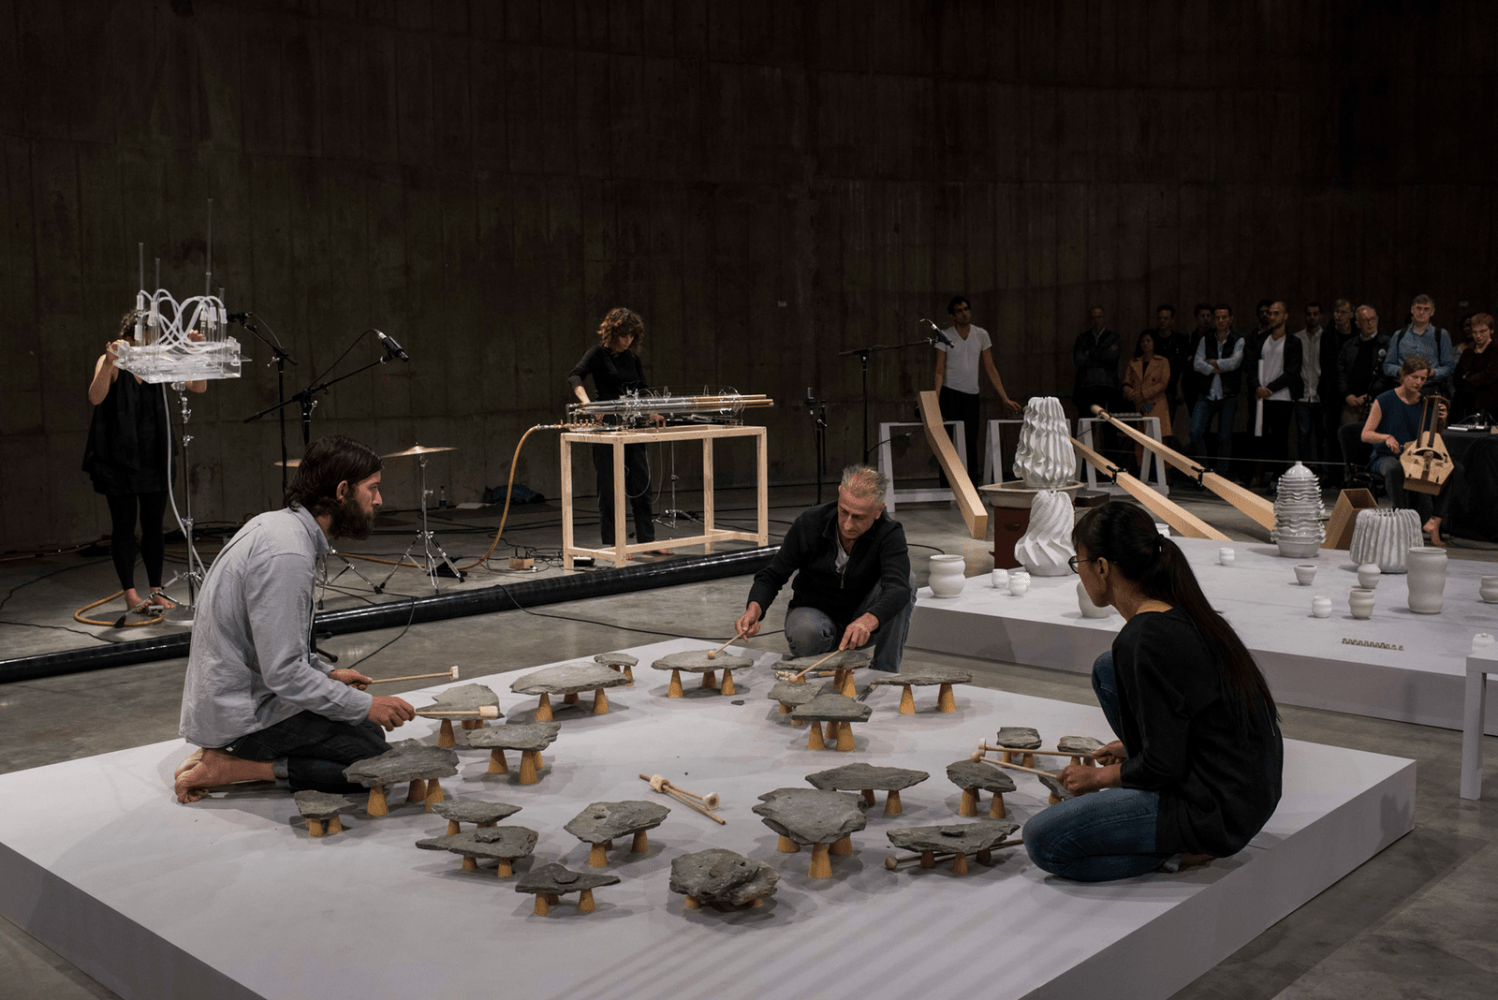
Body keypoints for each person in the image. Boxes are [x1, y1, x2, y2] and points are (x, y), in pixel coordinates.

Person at [1022, 501, 1283, 882]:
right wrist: (1132, 753)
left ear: (1102, 567)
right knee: (1107, 670)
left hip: (1214, 809)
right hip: (1246, 791)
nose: (1080, 573)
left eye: (1078, 563)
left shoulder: (1142, 639)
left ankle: (1179, 850)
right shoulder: (1179, 608)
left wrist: (1101, 779)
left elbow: (1165, 765)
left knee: (1044, 840)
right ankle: (1158, 812)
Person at [174, 436, 418, 803]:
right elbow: (284, 673)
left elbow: (271, 644)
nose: (379, 500)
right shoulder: (288, 555)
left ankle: (230, 754)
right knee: (375, 765)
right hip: (244, 715)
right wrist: (369, 706)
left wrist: (326, 673)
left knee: (370, 735)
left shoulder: (279, 527)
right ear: (342, 491)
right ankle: (233, 766)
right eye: (373, 488)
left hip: (248, 698)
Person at [83, 309, 207, 615]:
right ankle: (130, 593)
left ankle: (156, 590)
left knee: (154, 526)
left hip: (154, 454)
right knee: (124, 526)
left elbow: (198, 386)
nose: (156, 341)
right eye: (151, 336)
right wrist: (108, 363)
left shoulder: (158, 360)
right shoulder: (113, 361)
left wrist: (195, 352)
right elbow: (95, 397)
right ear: (134, 336)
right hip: (118, 458)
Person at [734, 466, 915, 673]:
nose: (847, 525)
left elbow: (898, 588)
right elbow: (772, 575)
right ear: (839, 494)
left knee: (907, 580)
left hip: (862, 621)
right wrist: (754, 609)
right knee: (804, 632)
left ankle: (883, 671)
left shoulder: (889, 533)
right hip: (814, 613)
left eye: (858, 517)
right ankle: (819, 662)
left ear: (878, 511)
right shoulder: (810, 522)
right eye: (843, 512)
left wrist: (868, 620)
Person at [567, 307, 672, 555]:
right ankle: (615, 545)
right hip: (607, 426)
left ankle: (647, 541)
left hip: (632, 424)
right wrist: (588, 404)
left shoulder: (632, 358)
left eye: (632, 336)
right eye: (624, 335)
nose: (628, 341)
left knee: (641, 484)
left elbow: (642, 389)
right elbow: (575, 376)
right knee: (609, 487)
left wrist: (652, 412)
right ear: (613, 333)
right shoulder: (598, 354)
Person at [1362, 357, 1462, 546]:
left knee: (1453, 468)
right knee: (1395, 468)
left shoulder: (1427, 403)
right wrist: (1386, 437)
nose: (1418, 382)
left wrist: (1441, 420)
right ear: (1403, 375)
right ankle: (1401, 520)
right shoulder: (1384, 400)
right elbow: (1365, 434)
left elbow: (1433, 439)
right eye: (1414, 377)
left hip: (1416, 457)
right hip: (1386, 456)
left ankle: (1434, 521)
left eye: (1423, 379)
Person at [933, 295, 1021, 487]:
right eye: (959, 311)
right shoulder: (944, 335)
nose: (964, 313)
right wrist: (936, 398)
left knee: (971, 440)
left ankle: (971, 484)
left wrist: (1004, 397)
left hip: (971, 394)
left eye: (966, 309)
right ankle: (946, 485)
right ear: (953, 316)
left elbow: (990, 367)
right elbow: (939, 368)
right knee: (948, 440)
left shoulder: (981, 334)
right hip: (950, 392)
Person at [1245, 301, 1303, 487]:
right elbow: (1250, 366)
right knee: (1258, 438)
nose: (1271, 317)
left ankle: (1278, 478)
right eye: (1270, 313)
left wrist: (1269, 388)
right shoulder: (1261, 339)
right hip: (1260, 398)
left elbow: (1292, 372)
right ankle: (1255, 475)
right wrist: (1257, 387)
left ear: (1285, 316)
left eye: (1276, 313)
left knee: (1279, 439)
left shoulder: (1293, 342)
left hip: (1282, 397)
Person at [1190, 305, 1245, 477]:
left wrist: (1212, 362)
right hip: (1207, 393)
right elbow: (1197, 364)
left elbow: (1234, 363)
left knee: (1224, 437)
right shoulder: (1206, 339)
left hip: (1228, 394)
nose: (1220, 321)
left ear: (1231, 319)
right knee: (1195, 432)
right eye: (1218, 317)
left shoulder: (1238, 340)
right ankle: (1204, 473)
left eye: (1224, 317)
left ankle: (1220, 477)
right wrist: (1220, 367)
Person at [1383, 294, 1456, 399]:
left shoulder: (1441, 335)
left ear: (1432, 312)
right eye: (1418, 308)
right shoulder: (1399, 335)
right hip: (1402, 388)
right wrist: (1403, 371)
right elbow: (1387, 366)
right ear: (1412, 310)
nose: (1421, 312)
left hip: (1429, 388)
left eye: (1426, 309)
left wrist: (1430, 372)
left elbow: (1449, 367)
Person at [1121, 331, 1171, 469]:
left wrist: (1142, 394)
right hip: (1139, 405)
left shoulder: (1163, 361)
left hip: (1156, 404)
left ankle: (1165, 473)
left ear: (1154, 343)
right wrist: (1135, 396)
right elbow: (1126, 384)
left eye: (1148, 340)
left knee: (1160, 440)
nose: (1145, 344)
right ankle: (1142, 471)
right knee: (1140, 440)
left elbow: (1163, 383)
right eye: (1143, 341)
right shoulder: (1133, 362)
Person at [1292, 301, 1332, 469]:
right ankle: (1304, 470)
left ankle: (1322, 470)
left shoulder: (1327, 337)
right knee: (1303, 435)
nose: (1312, 317)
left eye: (1315, 314)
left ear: (1320, 316)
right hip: (1302, 393)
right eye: (1309, 314)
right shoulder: (1296, 338)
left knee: (1322, 435)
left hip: (1320, 393)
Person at [1454, 312, 1497, 420]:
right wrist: (1475, 379)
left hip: (1493, 404)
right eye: (1475, 332)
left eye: (1483, 331)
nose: (1478, 336)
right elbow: (1457, 378)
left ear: (1491, 330)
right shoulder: (1467, 353)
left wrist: (1468, 377)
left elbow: (1491, 376)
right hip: (1468, 404)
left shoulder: (1496, 350)